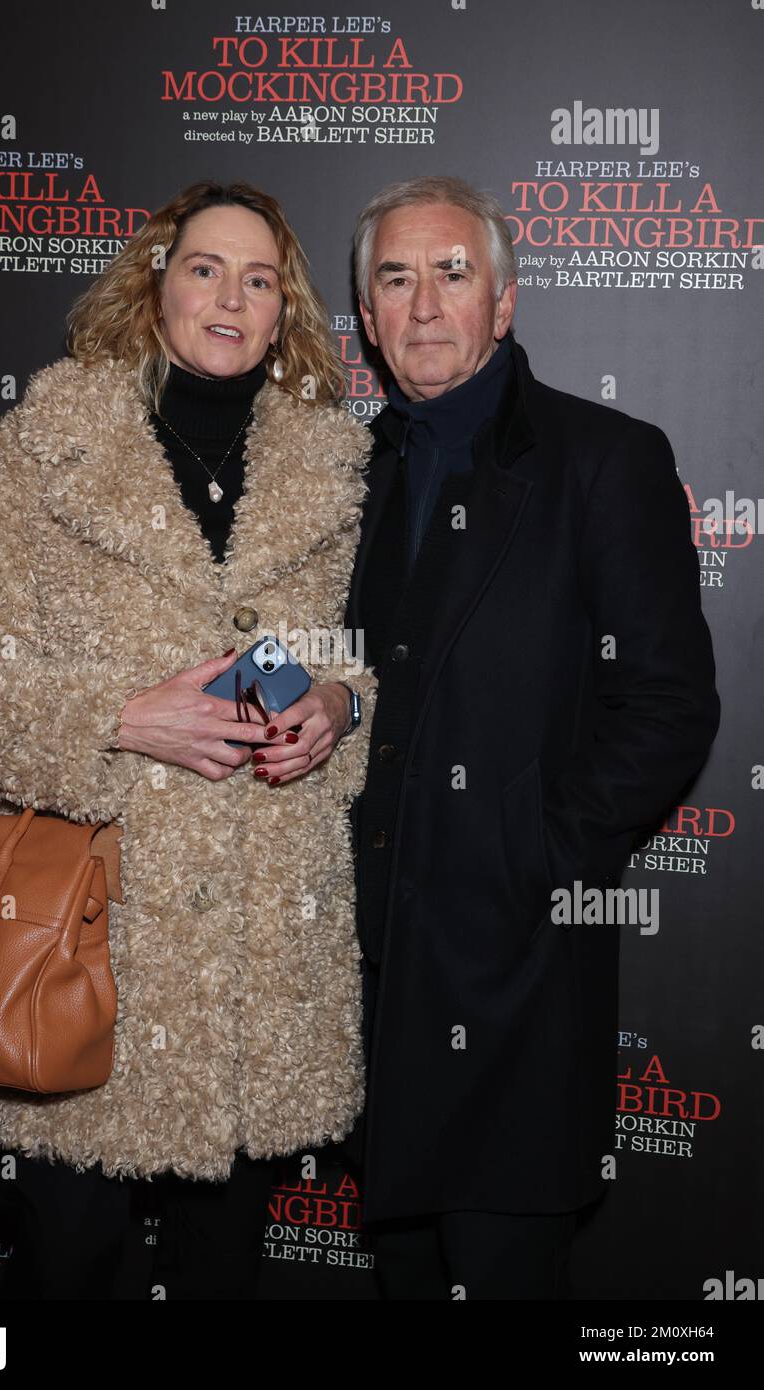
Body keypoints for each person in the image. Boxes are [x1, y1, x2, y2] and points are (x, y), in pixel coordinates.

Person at [0, 180, 377, 1300]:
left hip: (260, 955)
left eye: (260, 280)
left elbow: (338, 655)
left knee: (228, 1274)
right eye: (207, 268)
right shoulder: (54, 441)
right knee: (65, 1258)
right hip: (88, 948)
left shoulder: (330, 465)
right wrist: (117, 719)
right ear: (156, 282)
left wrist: (335, 707)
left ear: (284, 311)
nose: (231, 296)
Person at [342, 175, 720, 1299]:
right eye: (394, 279)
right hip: (367, 978)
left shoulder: (604, 458)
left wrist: (535, 856)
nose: (422, 306)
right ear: (364, 317)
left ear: (502, 304)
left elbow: (666, 702)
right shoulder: (336, 474)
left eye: (452, 274)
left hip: (517, 982)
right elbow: (300, 658)